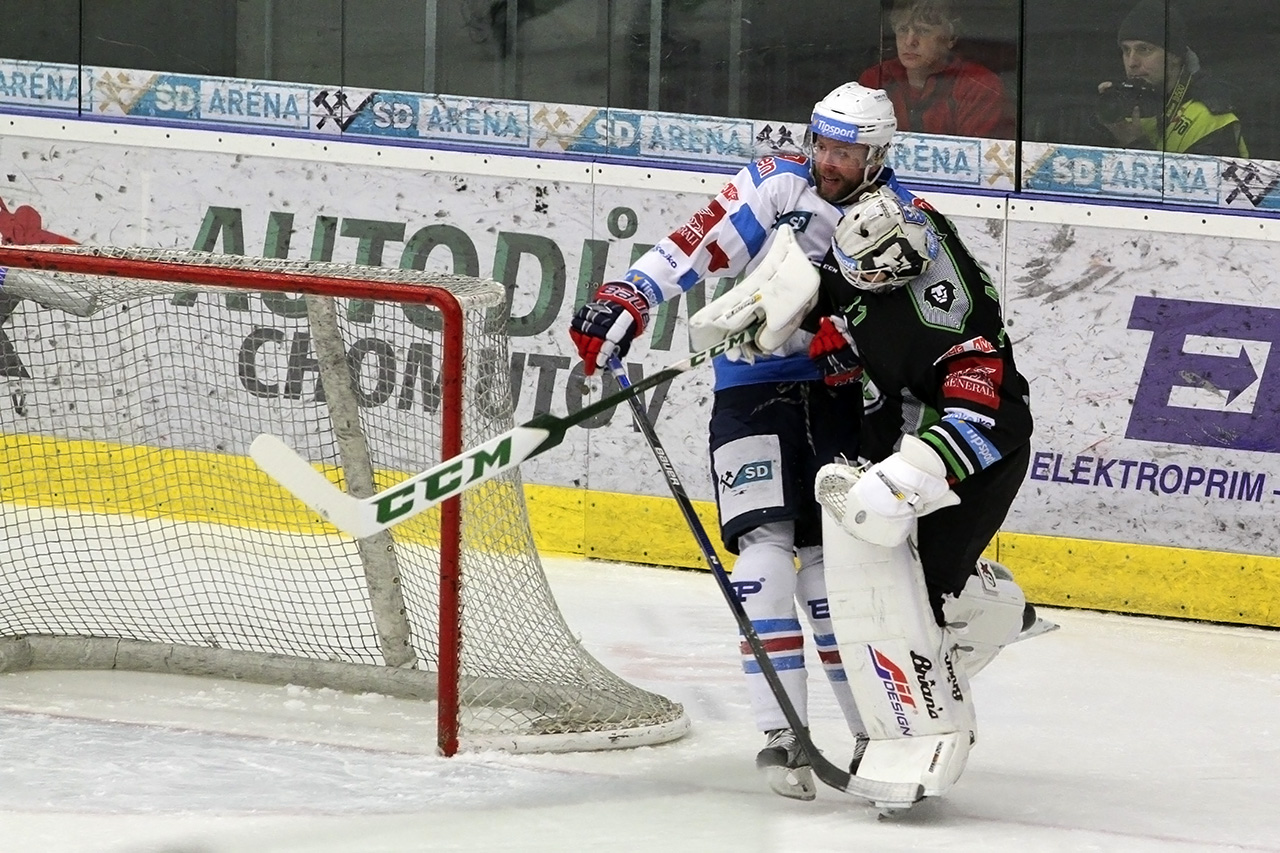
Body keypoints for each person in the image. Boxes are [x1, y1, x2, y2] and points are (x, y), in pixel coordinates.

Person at [569, 82, 916, 801]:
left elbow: (903, 323)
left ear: (877, 155)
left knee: (830, 569)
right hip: (750, 389)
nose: (829, 161)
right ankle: (781, 733)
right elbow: (696, 243)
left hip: (838, 399)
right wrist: (632, 294)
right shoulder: (778, 183)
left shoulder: (901, 218)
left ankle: (875, 735)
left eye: (847, 152)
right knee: (763, 558)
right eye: (823, 144)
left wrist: (855, 348)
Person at [807, 183, 1034, 637]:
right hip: (897, 416)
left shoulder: (954, 325)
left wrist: (912, 472)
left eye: (866, 274)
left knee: (925, 593)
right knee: (872, 568)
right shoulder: (898, 225)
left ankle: (989, 612)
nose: (850, 276)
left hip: (978, 464)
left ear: (898, 272)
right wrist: (798, 313)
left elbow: (993, 420)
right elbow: (841, 278)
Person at [1096, 0, 1248, 157]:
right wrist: (1103, 120)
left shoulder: (1211, 116)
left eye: (1144, 49)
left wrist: (1136, 143)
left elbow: (1206, 174)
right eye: (1126, 50)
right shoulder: (1125, 107)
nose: (1132, 62)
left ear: (1174, 56)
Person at [858, 0, 1012, 139]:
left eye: (923, 31)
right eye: (903, 29)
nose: (910, 41)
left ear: (952, 37)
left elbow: (977, 156)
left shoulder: (979, 86)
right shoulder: (875, 79)